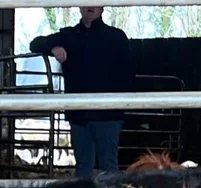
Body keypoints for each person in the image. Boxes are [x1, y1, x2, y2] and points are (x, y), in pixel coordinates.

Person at [29, 7, 137, 178]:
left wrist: (117, 98)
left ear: (102, 7)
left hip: (107, 114)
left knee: (109, 166)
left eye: (95, 2)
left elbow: (130, 72)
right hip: (80, 114)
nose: (90, 6)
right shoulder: (68, 36)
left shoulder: (116, 37)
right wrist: (53, 47)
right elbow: (35, 43)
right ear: (79, 7)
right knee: (84, 166)